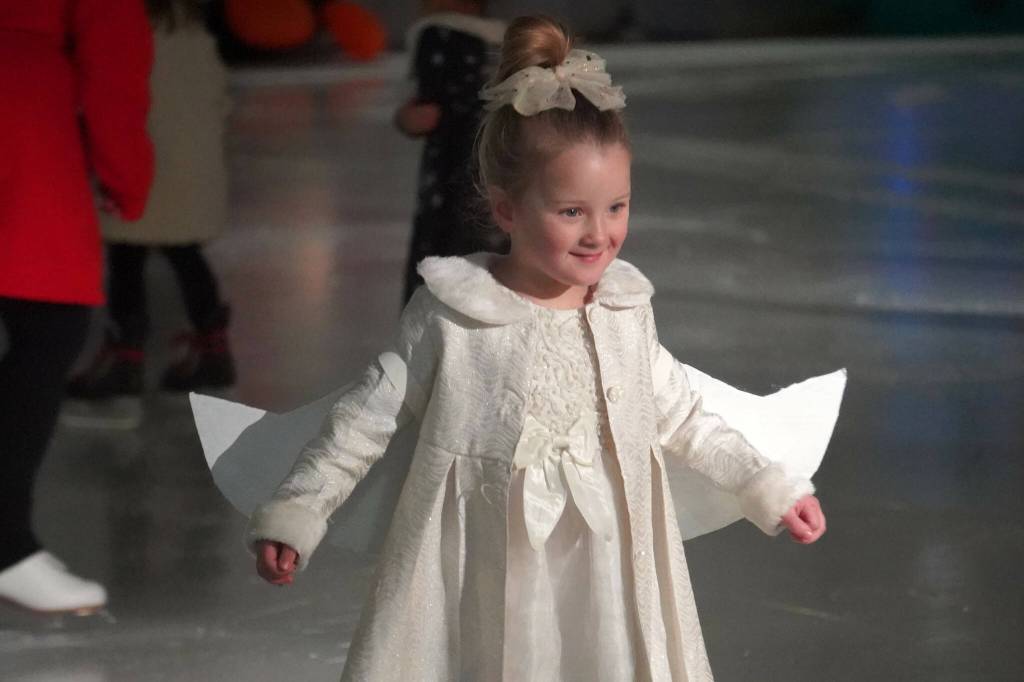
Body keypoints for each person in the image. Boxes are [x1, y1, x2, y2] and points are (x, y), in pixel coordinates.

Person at [245, 16, 832, 680]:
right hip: (482, 571)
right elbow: (365, 417)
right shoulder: (456, 316)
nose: (600, 234)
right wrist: (300, 510)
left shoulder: (622, 312)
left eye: (616, 206)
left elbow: (683, 413)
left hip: (608, 576)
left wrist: (768, 485)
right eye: (572, 211)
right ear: (506, 209)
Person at [0, 0, 154, 612]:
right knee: (47, 323)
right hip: (20, 115)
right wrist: (128, 175)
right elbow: (112, 52)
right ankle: (4, 544)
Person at [66, 0, 234, 413]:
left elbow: (107, 100)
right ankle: (214, 347)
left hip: (139, 165)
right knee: (185, 252)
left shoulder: (118, 37)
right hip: (191, 173)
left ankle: (125, 356)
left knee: (126, 258)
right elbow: (221, 103)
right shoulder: (199, 40)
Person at [395, 0, 507, 304]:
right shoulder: (504, 38)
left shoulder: (439, 35)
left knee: (447, 264)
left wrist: (404, 118)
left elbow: (426, 115)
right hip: (500, 167)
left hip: (451, 174)